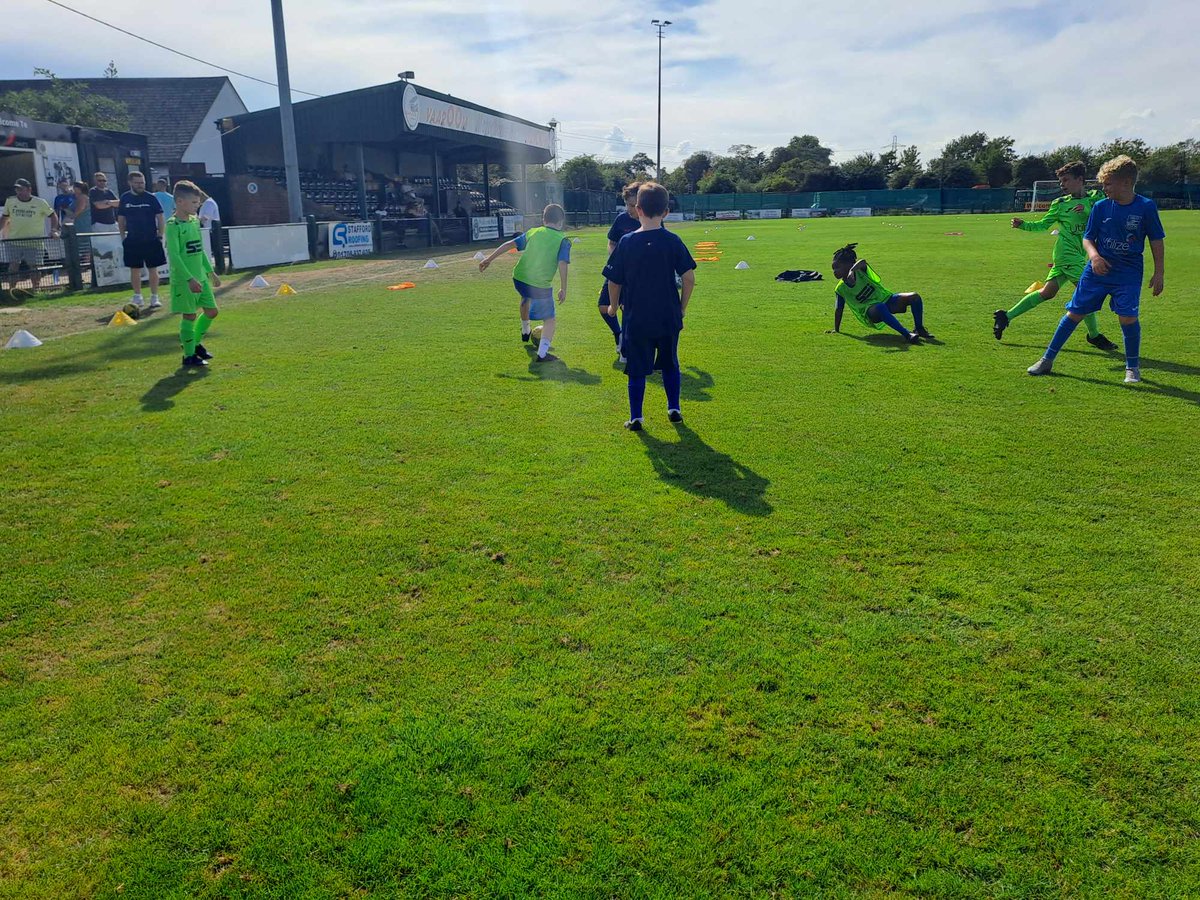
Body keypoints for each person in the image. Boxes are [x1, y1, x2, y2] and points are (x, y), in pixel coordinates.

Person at [1027, 155, 1165, 383]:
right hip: (1096, 271)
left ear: (1126, 182)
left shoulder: (1146, 207)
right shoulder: (1100, 207)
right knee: (1074, 313)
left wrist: (1159, 272)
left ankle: (1132, 367)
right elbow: (1088, 238)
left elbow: (1156, 240)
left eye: (1108, 184)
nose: (1104, 188)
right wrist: (1094, 257)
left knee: (1127, 317)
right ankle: (1047, 359)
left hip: (1128, 273)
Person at [994, 162, 1117, 351]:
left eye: (1066, 180)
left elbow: (1107, 213)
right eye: (1061, 181)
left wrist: (1086, 210)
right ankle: (1094, 336)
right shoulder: (1060, 204)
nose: (1062, 185)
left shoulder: (1096, 198)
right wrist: (1023, 224)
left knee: (1047, 293)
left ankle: (1006, 316)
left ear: (1080, 180)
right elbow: (1043, 225)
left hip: (1078, 254)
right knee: (1087, 292)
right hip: (1066, 255)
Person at [603, 182, 696, 430]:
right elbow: (689, 278)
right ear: (666, 212)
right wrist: (682, 308)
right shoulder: (673, 240)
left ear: (638, 209)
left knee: (636, 369)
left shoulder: (626, 242)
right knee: (670, 362)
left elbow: (614, 281)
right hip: (667, 315)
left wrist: (613, 307)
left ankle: (636, 418)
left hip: (637, 318)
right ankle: (674, 408)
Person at [479, 203, 570, 363]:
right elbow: (563, 264)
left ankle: (525, 330)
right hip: (539, 284)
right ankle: (542, 354)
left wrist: (489, 259)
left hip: (519, 278)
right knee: (549, 319)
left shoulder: (533, 232)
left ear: (544, 219)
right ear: (561, 221)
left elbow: (509, 244)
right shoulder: (563, 239)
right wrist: (563, 288)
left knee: (526, 297)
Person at [165, 180, 222, 368]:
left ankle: (195, 344)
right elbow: (174, 255)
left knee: (212, 311)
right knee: (189, 316)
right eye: (194, 203)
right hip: (185, 280)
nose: (197, 206)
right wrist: (189, 278)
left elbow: (200, 249)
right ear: (180, 202)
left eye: (198, 203)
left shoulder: (194, 221)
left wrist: (210, 272)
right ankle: (188, 356)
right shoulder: (173, 226)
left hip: (201, 277)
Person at [830, 243, 931, 343]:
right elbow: (839, 309)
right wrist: (836, 329)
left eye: (837, 267)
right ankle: (907, 334)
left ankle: (919, 329)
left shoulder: (860, 271)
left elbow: (863, 262)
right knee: (880, 306)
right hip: (871, 312)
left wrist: (852, 270)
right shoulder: (840, 289)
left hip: (887, 300)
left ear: (849, 265)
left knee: (914, 297)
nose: (834, 271)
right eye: (833, 269)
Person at [598, 181, 643, 362]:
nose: (629, 209)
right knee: (604, 307)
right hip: (618, 272)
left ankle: (629, 349)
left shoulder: (651, 220)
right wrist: (615, 256)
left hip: (638, 276)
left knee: (630, 311)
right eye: (627, 204)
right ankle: (619, 334)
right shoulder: (621, 219)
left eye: (633, 205)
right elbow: (612, 241)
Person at [1, 177, 60, 291]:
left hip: (35, 241)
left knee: (35, 267)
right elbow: (4, 218)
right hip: (14, 240)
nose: (19, 192)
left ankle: (36, 290)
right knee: (13, 266)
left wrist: (53, 230)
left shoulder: (40, 202)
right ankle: (11, 290)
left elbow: (53, 215)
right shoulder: (10, 201)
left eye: (21, 189)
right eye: (17, 190)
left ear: (29, 189)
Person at [117, 171, 166, 309]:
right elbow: (121, 219)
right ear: (130, 183)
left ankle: (154, 297)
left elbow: (160, 218)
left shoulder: (151, 198)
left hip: (151, 239)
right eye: (137, 183)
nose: (140, 185)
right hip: (133, 240)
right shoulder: (125, 198)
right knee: (135, 269)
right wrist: (123, 237)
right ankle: (137, 296)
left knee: (153, 269)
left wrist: (160, 235)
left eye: (142, 182)